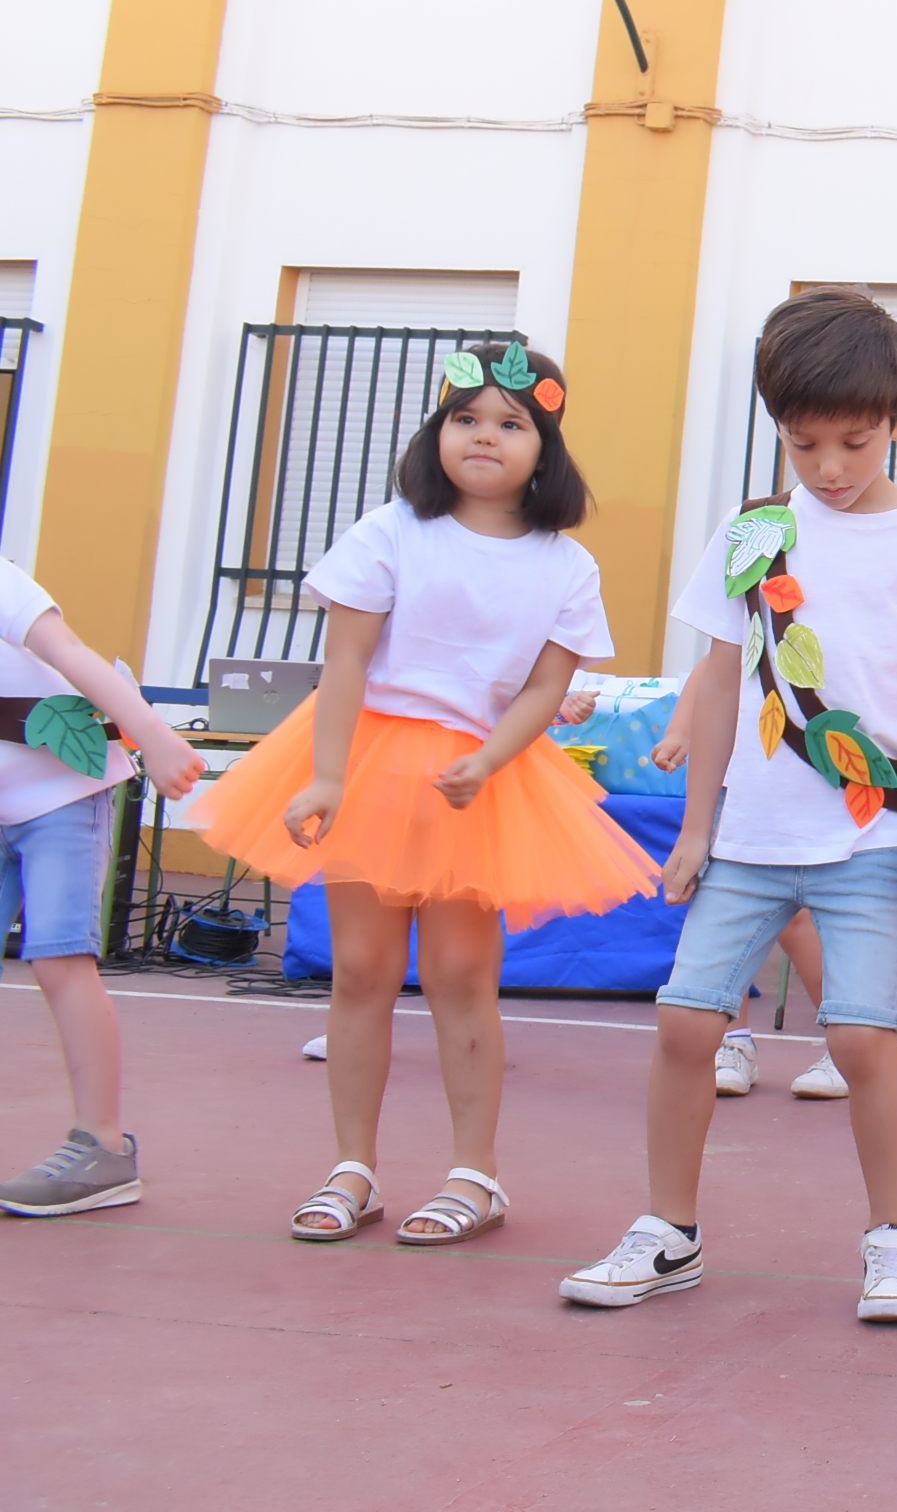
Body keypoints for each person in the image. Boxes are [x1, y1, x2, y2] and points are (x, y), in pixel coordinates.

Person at [559, 288, 897, 1322]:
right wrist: (696, 826)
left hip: (872, 836)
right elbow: (717, 679)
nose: (832, 468)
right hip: (747, 839)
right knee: (682, 1022)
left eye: (855, 440)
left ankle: (894, 1236)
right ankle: (669, 1229)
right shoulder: (755, 530)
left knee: (858, 1037)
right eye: (805, 445)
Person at [198, 342, 654, 1247]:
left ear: (546, 445)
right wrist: (326, 775)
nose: (485, 436)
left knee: (460, 978)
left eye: (511, 423)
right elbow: (347, 660)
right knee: (361, 972)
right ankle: (351, 1169)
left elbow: (542, 690)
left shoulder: (566, 566)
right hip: (370, 766)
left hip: (478, 783)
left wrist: (489, 760)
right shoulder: (391, 530)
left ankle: (474, 1175)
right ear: (437, 432)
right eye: (465, 418)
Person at [0, 562, 206, 1215]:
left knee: (59, 958)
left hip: (59, 792)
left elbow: (70, 653)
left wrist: (155, 736)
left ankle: (104, 1147)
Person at [642, 668, 845, 1102]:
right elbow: (716, 663)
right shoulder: (743, 601)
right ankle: (733, 1043)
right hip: (736, 780)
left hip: (809, 777)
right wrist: (681, 730)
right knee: (718, 904)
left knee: (797, 919)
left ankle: (844, 1045)